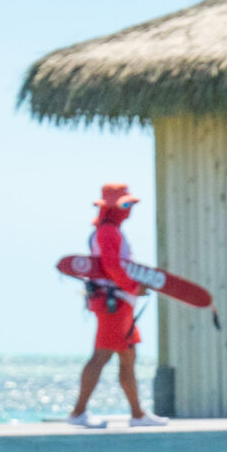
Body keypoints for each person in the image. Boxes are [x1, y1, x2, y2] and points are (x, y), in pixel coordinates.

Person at [67, 183, 165, 428]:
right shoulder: (108, 232)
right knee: (102, 355)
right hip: (114, 303)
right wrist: (133, 287)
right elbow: (113, 267)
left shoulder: (109, 231)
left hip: (120, 302)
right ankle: (78, 413)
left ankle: (138, 414)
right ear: (114, 208)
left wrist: (132, 288)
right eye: (126, 204)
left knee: (128, 357)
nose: (130, 209)